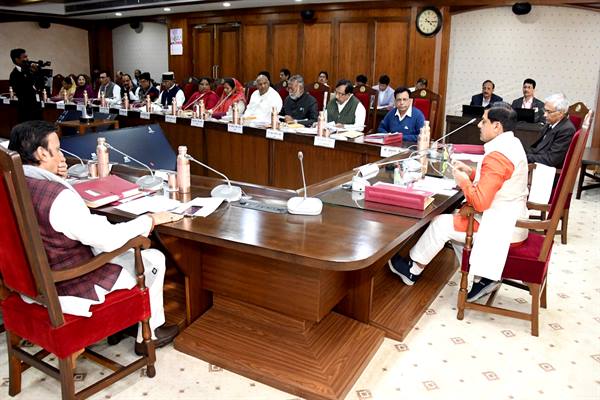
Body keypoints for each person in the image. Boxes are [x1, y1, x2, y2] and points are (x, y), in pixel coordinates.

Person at [8, 120, 180, 354]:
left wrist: (56, 178)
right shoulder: (57, 198)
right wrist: (149, 220)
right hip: (67, 285)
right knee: (153, 258)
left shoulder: (11, 184)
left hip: (27, 280)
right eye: (57, 149)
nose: (62, 156)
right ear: (41, 154)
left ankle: (124, 323)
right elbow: (107, 239)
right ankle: (149, 336)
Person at [388, 102, 529, 302]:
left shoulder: (498, 156)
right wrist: (471, 172)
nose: (479, 125)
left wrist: (463, 181)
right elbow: (499, 181)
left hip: (501, 227)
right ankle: (483, 277)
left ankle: (413, 269)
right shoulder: (512, 144)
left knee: (441, 224)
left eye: (484, 121)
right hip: (512, 218)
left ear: (497, 126)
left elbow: (480, 202)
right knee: (454, 218)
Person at [526, 93, 576, 168]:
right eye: (545, 110)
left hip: (547, 169)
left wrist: (526, 157)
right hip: (539, 159)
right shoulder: (551, 124)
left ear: (561, 113)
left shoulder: (566, 130)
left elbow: (551, 159)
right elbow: (538, 148)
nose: (545, 115)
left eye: (549, 112)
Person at [9, 48, 42, 122]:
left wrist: (37, 73)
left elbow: (40, 84)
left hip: (36, 107)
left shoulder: (29, 70)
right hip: (25, 109)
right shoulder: (14, 75)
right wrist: (30, 74)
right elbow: (21, 91)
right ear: (17, 59)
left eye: (27, 56)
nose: (27, 59)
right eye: (24, 57)